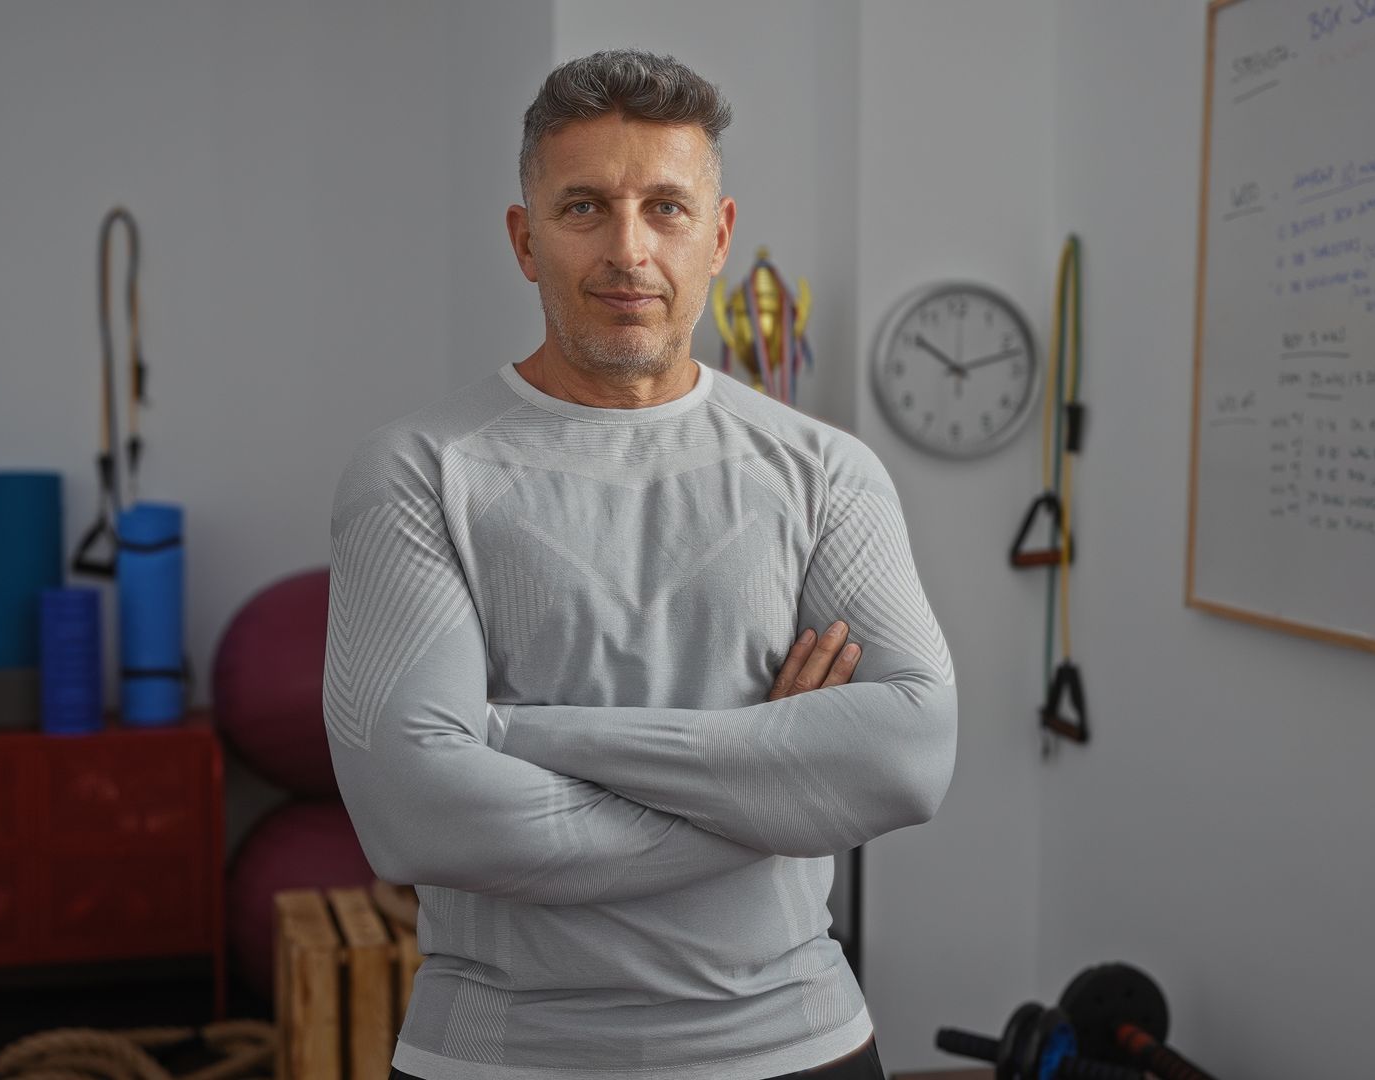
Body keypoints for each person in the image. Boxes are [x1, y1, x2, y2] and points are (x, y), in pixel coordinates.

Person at [323, 48, 957, 1080]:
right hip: (507, 1057)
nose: (629, 249)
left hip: (799, 1046)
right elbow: (417, 813)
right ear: (526, 241)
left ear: (719, 235)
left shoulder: (826, 471)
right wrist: (774, 782)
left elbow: (908, 759)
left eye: (666, 207)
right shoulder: (419, 471)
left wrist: (524, 736)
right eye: (584, 209)